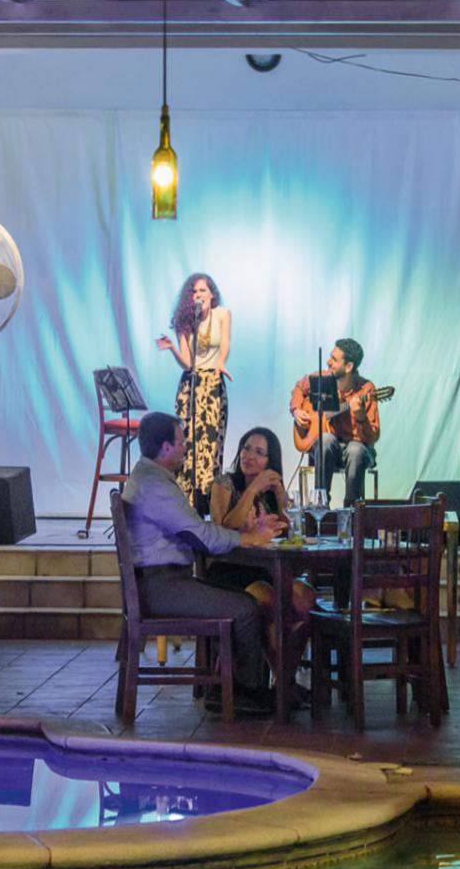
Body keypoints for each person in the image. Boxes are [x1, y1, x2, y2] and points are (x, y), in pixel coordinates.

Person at [121, 411, 280, 714]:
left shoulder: (147, 477)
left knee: (237, 598)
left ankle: (234, 686)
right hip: (162, 586)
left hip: (161, 581)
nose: (186, 448)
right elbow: (202, 535)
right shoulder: (156, 486)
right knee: (245, 607)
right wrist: (249, 539)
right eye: (181, 442)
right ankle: (241, 692)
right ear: (166, 448)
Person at [207, 427, 319, 648]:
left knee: (305, 597)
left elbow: (288, 535)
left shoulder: (268, 493)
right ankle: (281, 677)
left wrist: (279, 498)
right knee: (274, 603)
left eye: (259, 452)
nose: (249, 456)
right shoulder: (224, 483)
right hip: (230, 568)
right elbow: (222, 528)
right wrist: (252, 490)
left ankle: (282, 674)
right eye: (246, 448)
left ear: (270, 461)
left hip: (265, 568)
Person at [156, 272, 230, 514]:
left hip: (213, 385)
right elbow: (188, 362)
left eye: (203, 291)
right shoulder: (185, 321)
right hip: (191, 386)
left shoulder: (222, 315)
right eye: (194, 292)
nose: (199, 295)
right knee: (187, 446)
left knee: (210, 448)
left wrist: (221, 362)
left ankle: (207, 506)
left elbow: (225, 343)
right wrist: (171, 349)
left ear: (212, 294)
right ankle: (185, 506)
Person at [290, 337, 382, 508]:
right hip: (327, 450)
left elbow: (372, 436)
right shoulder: (322, 379)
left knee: (355, 449)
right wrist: (296, 411)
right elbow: (299, 388)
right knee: (326, 439)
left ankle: (353, 513)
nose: (328, 362)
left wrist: (360, 416)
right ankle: (320, 507)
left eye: (334, 359)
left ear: (349, 366)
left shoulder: (366, 389)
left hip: (356, 452)